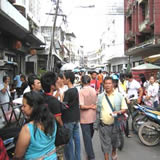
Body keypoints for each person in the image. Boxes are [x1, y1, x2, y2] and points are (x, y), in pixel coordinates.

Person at [13, 91, 57, 160]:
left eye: (24, 106)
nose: (22, 108)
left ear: (33, 107)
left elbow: (18, 155)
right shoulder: (52, 120)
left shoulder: (27, 129)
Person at [94, 77, 128, 160]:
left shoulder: (119, 96)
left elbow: (124, 108)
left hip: (115, 125)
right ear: (103, 85)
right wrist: (96, 124)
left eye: (109, 83)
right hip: (103, 126)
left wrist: (118, 112)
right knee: (105, 146)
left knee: (115, 143)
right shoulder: (100, 96)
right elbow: (98, 111)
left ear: (113, 85)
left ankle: (113, 151)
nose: (107, 85)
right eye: (106, 83)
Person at [41, 72, 64, 160]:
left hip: (42, 134)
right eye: (56, 81)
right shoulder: (54, 102)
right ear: (52, 86)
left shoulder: (40, 97)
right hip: (54, 135)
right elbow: (58, 119)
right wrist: (63, 128)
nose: (59, 82)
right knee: (58, 155)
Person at [63, 71, 81, 160]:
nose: (62, 80)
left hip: (68, 119)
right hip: (75, 118)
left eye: (63, 78)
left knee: (69, 142)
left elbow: (64, 106)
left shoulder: (68, 92)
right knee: (77, 140)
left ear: (68, 79)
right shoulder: (75, 89)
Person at [79, 75, 97, 160]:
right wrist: (92, 106)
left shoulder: (81, 92)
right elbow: (96, 103)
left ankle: (91, 156)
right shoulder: (93, 90)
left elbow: (81, 106)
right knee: (89, 137)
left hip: (84, 118)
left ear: (82, 82)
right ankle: (89, 154)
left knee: (87, 139)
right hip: (93, 116)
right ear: (90, 82)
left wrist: (89, 106)